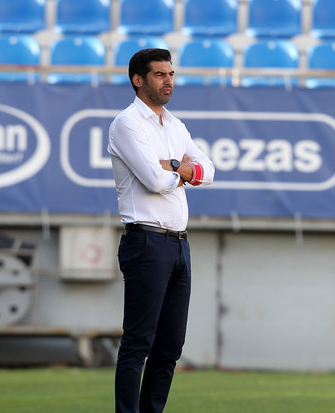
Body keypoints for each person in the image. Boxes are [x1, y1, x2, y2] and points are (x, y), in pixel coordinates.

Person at [107, 48, 215, 413]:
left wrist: (176, 168)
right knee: (138, 342)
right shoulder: (127, 123)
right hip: (146, 240)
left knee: (170, 347)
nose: (168, 81)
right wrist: (182, 172)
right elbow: (153, 181)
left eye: (171, 74)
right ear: (138, 80)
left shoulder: (174, 125)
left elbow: (209, 171)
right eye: (159, 74)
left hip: (179, 245)